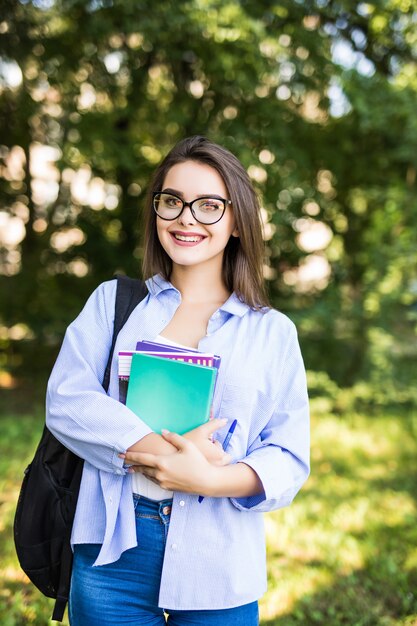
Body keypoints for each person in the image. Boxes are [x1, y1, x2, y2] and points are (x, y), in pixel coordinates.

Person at [46, 135, 310, 626]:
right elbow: (68, 399)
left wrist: (208, 479)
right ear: (156, 213)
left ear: (236, 221)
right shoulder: (114, 304)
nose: (186, 217)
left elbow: (288, 455)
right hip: (113, 552)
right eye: (172, 201)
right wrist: (165, 455)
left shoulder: (273, 332)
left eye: (208, 205)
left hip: (221, 558)